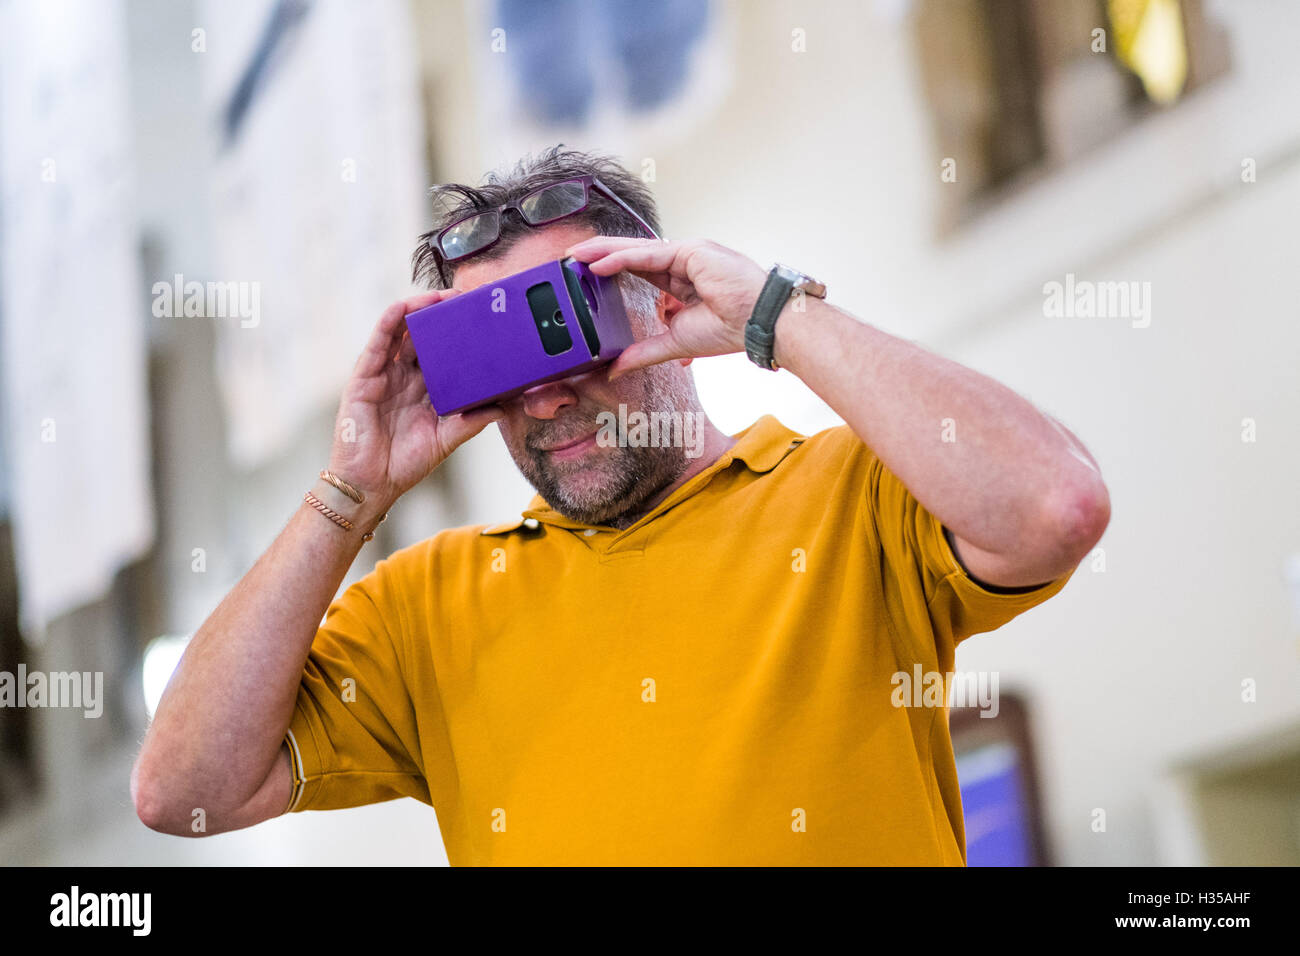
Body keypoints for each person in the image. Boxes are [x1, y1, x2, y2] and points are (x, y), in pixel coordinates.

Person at [132, 146, 1109, 864]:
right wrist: (351, 488)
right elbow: (184, 792)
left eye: (567, 336)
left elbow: (1055, 506)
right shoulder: (423, 608)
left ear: (657, 302)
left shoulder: (849, 496)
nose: (545, 397)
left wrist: (773, 312)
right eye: (501, 366)